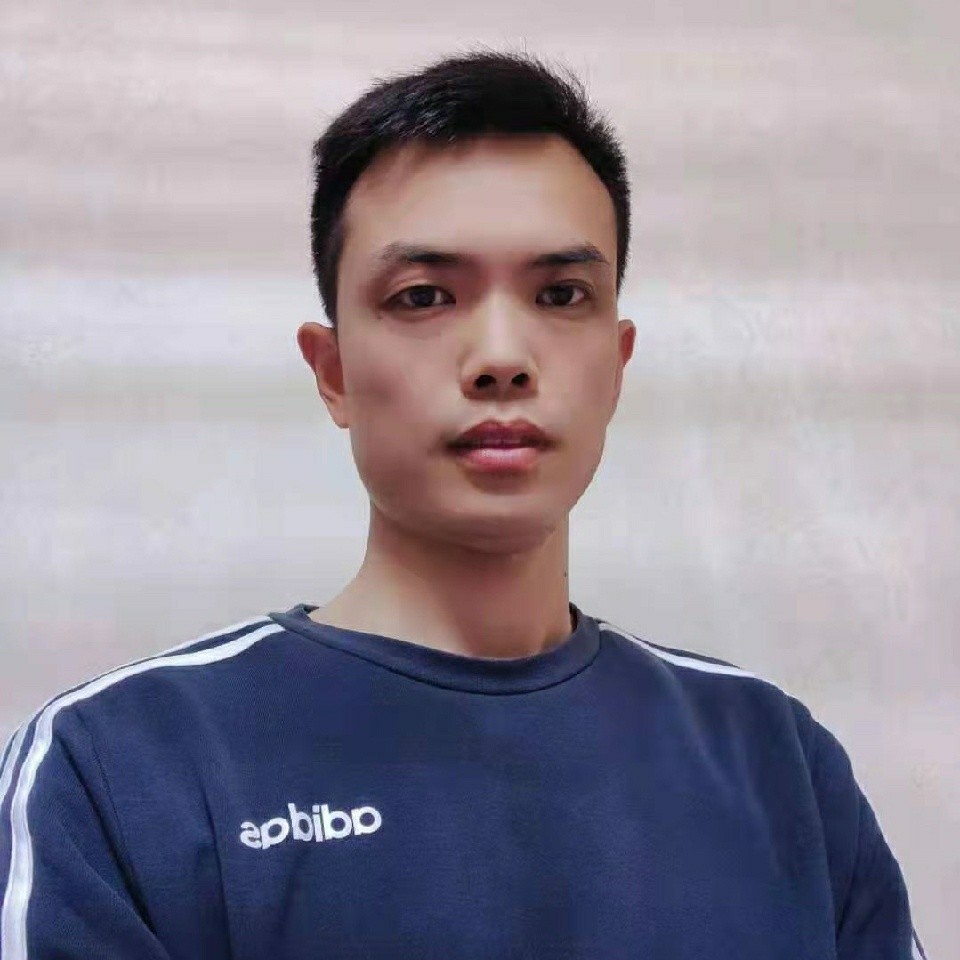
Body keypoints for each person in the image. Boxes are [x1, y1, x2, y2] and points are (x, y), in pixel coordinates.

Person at [0, 48, 929, 959]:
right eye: (423, 296)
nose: (501, 357)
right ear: (332, 372)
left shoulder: (778, 763)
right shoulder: (117, 769)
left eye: (560, 293)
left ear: (616, 364)